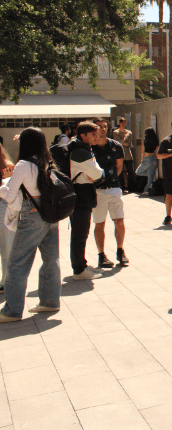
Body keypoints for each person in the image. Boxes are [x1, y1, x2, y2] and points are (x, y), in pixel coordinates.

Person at [0, 128, 61, 321]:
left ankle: (12, 310)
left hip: (32, 216)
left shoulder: (23, 165)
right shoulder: (47, 162)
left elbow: (10, 196)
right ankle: (50, 301)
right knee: (51, 259)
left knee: (17, 263)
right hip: (50, 215)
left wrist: (2, 185)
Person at [69, 121, 105, 280]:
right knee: (80, 233)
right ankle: (79, 270)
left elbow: (95, 174)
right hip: (81, 193)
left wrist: (95, 174)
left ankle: (81, 265)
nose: (96, 137)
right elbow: (98, 175)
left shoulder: (79, 148)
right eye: (92, 135)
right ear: (82, 135)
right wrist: (97, 174)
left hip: (82, 192)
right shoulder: (80, 152)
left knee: (81, 232)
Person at [91, 118, 129, 268]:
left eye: (104, 126)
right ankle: (101, 255)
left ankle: (120, 251)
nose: (102, 129)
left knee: (119, 220)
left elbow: (119, 167)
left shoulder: (116, 146)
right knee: (100, 223)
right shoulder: (90, 147)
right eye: (99, 127)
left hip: (113, 188)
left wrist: (112, 180)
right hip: (97, 190)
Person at [0, 144, 15, 292]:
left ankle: (6, 281)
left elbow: (13, 189)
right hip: (4, 208)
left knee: (6, 248)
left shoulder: (7, 166)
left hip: (4, 208)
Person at [112, 117, 134, 193]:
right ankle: (122, 186)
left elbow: (129, 144)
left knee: (130, 171)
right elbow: (118, 143)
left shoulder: (129, 132)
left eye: (124, 122)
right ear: (119, 123)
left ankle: (131, 187)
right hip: (119, 154)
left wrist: (124, 142)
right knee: (120, 171)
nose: (123, 123)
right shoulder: (116, 132)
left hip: (127, 154)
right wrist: (125, 138)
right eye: (121, 122)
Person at [138, 127, 159, 196]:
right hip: (154, 158)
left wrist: (142, 160)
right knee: (151, 177)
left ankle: (146, 189)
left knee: (138, 172)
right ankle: (146, 190)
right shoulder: (156, 140)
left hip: (147, 158)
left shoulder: (145, 140)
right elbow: (157, 149)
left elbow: (142, 151)